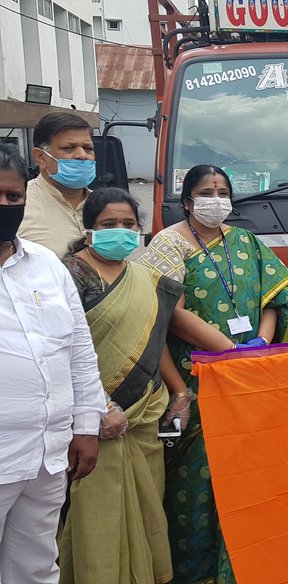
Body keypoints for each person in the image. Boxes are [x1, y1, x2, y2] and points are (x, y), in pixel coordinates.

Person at [138, 164, 288, 583]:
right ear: (189, 199)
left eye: (223, 190)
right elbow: (166, 314)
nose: (217, 198)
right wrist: (228, 353)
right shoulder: (166, 245)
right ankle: (200, 573)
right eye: (207, 191)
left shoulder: (245, 240)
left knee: (251, 476)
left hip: (251, 377)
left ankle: (249, 565)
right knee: (198, 486)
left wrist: (261, 344)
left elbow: (274, 297)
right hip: (198, 378)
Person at [56, 188, 187, 584]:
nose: (121, 231)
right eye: (109, 225)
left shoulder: (146, 277)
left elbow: (153, 340)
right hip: (92, 418)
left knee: (147, 506)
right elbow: (62, 351)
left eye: (129, 225)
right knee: (91, 509)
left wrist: (180, 392)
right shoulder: (67, 274)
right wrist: (100, 407)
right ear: (89, 228)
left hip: (143, 416)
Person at [0, 144, 106, 583]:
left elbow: (79, 351)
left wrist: (86, 425)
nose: (5, 206)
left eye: (13, 197)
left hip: (48, 455)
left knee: (37, 567)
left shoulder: (45, 265)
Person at [19, 112, 96, 257]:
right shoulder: (18, 206)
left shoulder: (105, 205)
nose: (82, 155)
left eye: (88, 148)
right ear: (40, 157)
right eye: (68, 148)